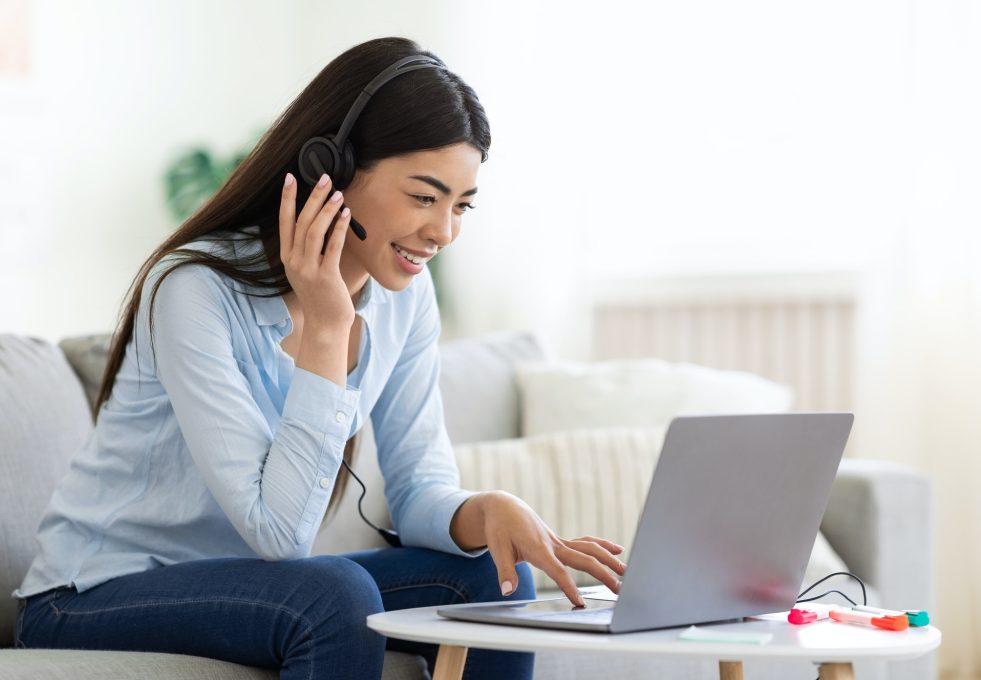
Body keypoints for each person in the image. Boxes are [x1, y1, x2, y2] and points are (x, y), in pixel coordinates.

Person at [11, 37, 626, 680]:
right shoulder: (194, 290)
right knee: (332, 596)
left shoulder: (405, 300)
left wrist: (485, 511)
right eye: (424, 197)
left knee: (491, 578)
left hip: (244, 584)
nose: (444, 232)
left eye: (461, 205)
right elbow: (279, 536)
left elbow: (419, 488)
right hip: (89, 595)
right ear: (332, 165)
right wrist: (329, 329)